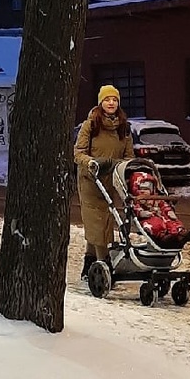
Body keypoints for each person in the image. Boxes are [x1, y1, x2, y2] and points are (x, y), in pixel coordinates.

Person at [73, 85, 134, 280]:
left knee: (106, 221)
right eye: (107, 100)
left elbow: (128, 155)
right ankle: (104, 263)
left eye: (114, 100)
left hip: (111, 181)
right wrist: (90, 162)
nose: (111, 103)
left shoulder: (123, 127)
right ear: (101, 102)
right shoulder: (90, 125)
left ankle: (89, 263)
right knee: (97, 222)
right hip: (90, 180)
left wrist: (123, 166)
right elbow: (78, 152)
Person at [127, 168, 190, 248]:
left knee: (174, 222)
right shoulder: (136, 200)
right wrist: (141, 213)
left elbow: (163, 205)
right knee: (157, 224)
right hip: (148, 219)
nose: (144, 192)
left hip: (162, 216)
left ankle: (180, 233)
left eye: (147, 189)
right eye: (141, 189)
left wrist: (168, 211)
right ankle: (165, 237)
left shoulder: (156, 199)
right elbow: (135, 209)